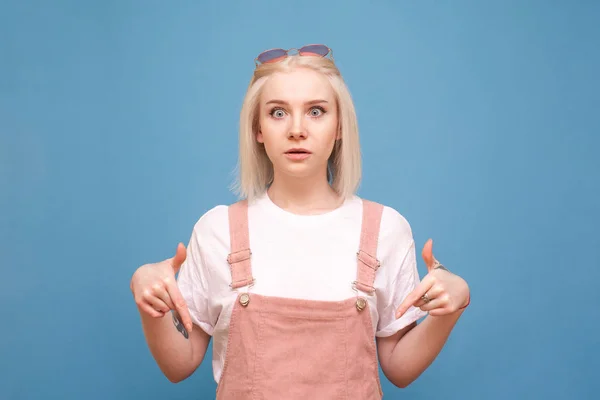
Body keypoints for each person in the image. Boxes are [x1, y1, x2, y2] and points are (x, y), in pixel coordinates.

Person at [130, 44, 470, 399]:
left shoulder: (386, 230)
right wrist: (149, 304)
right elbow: (179, 365)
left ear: (340, 126)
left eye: (316, 111)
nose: (296, 129)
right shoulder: (217, 231)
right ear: (257, 129)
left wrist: (449, 310)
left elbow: (399, 369)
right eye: (277, 112)